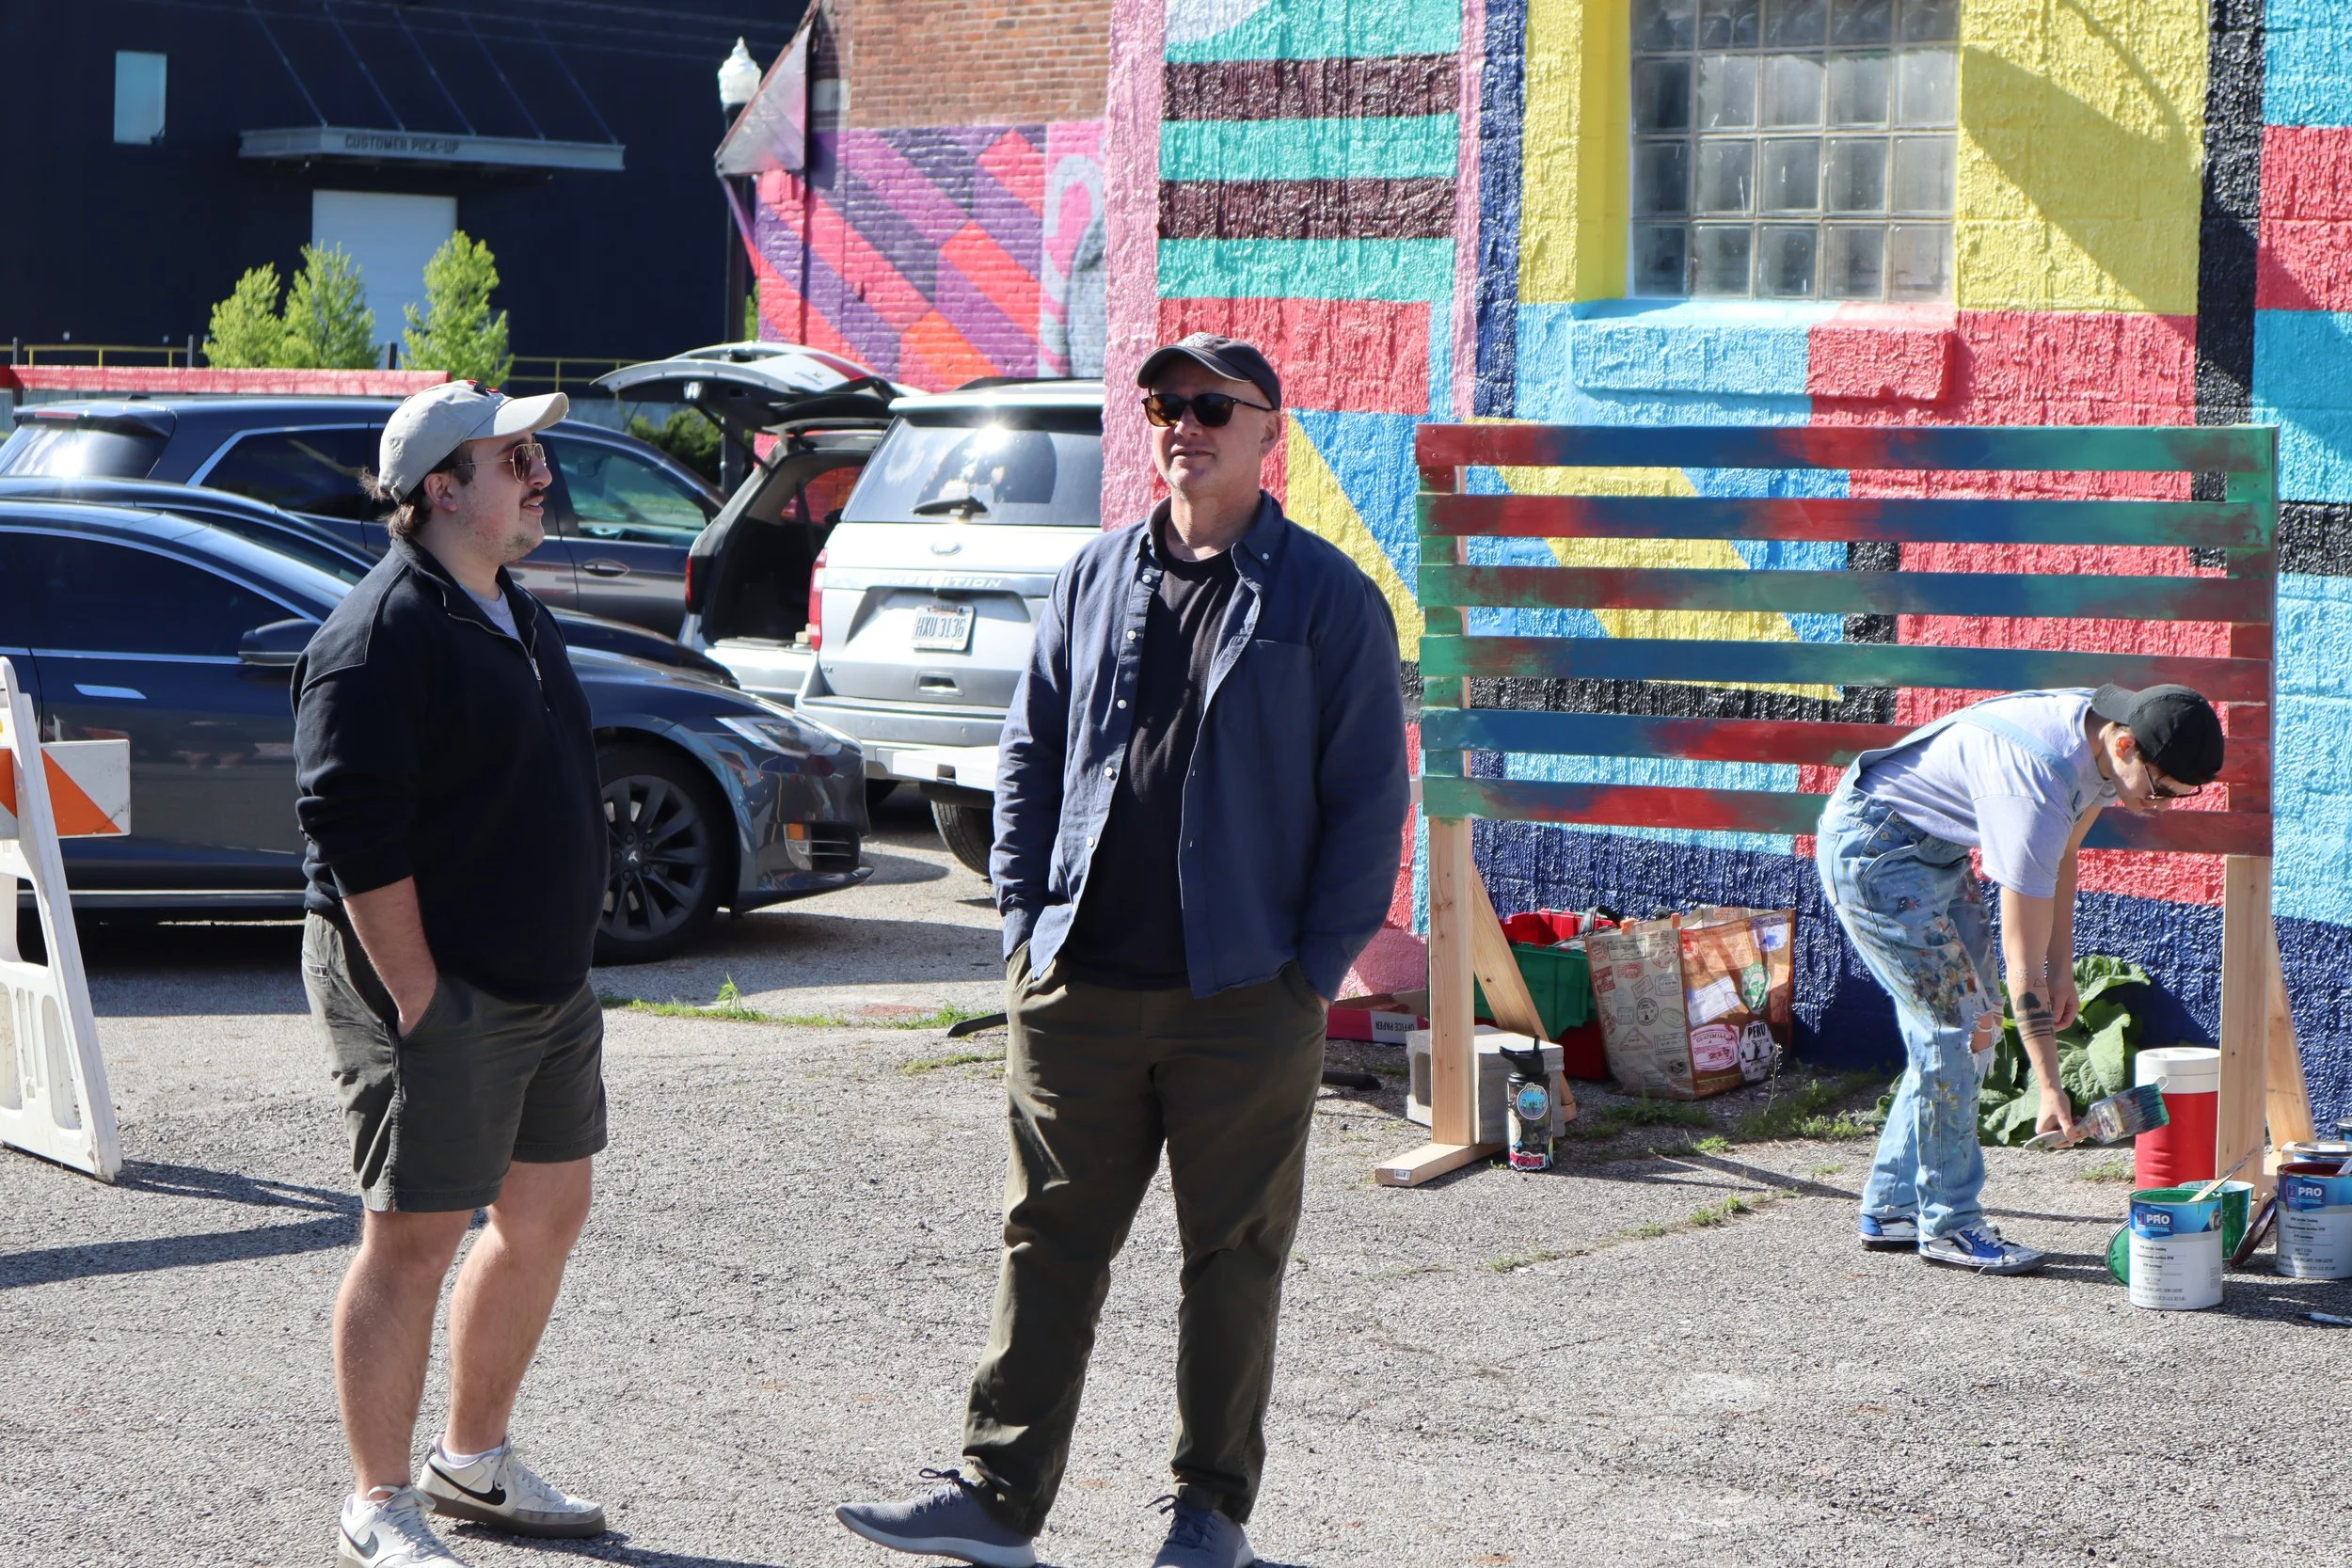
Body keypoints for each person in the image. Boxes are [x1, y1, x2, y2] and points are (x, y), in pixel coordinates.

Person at [835, 334, 1409, 1568]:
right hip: (1079, 986)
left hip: (1245, 993)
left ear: (1268, 432)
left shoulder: (1327, 598)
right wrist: (1021, 929)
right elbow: (1030, 752)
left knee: (1233, 1256)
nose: (1182, 423)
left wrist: (1313, 965)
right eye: (1164, 404)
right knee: (1045, 1240)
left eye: (1212, 405)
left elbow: (1369, 798)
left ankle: (1209, 1513)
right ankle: (996, 1494)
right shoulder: (1094, 574)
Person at [295, 382, 611, 1566]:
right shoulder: (378, 636)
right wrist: (419, 990)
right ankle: (378, 1499)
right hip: (439, 990)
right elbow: (348, 825)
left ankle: (471, 1459)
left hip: (543, 987)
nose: (539, 473)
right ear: (441, 487)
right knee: (413, 1239)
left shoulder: (508, 605)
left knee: (541, 1214)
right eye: (514, 456)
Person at [1816, 683, 2226, 1275]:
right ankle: (1950, 1225)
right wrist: (2051, 1085)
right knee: (1958, 1032)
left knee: (1967, 1032)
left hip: (1936, 850)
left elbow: (2064, 855)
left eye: (2177, 798)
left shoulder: (2109, 731)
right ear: (2128, 745)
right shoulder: (2034, 787)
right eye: (2160, 790)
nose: (2161, 806)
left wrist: (2065, 968)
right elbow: (2021, 968)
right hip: (1876, 851)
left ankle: (1891, 1207)